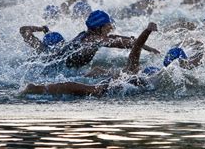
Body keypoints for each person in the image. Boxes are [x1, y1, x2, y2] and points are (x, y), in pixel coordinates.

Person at [22, 22, 160, 97]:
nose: (111, 27)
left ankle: (36, 88)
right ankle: (36, 88)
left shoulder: (42, 51)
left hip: (42, 72)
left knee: (88, 78)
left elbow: (24, 30)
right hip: (68, 75)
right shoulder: (90, 40)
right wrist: (147, 38)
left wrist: (41, 29)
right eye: (108, 25)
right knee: (78, 83)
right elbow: (130, 47)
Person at [62, 10, 160, 69]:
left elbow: (115, 38)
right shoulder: (95, 40)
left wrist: (149, 48)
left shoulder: (85, 35)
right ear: (99, 27)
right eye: (108, 25)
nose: (111, 28)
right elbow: (122, 43)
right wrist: (146, 34)